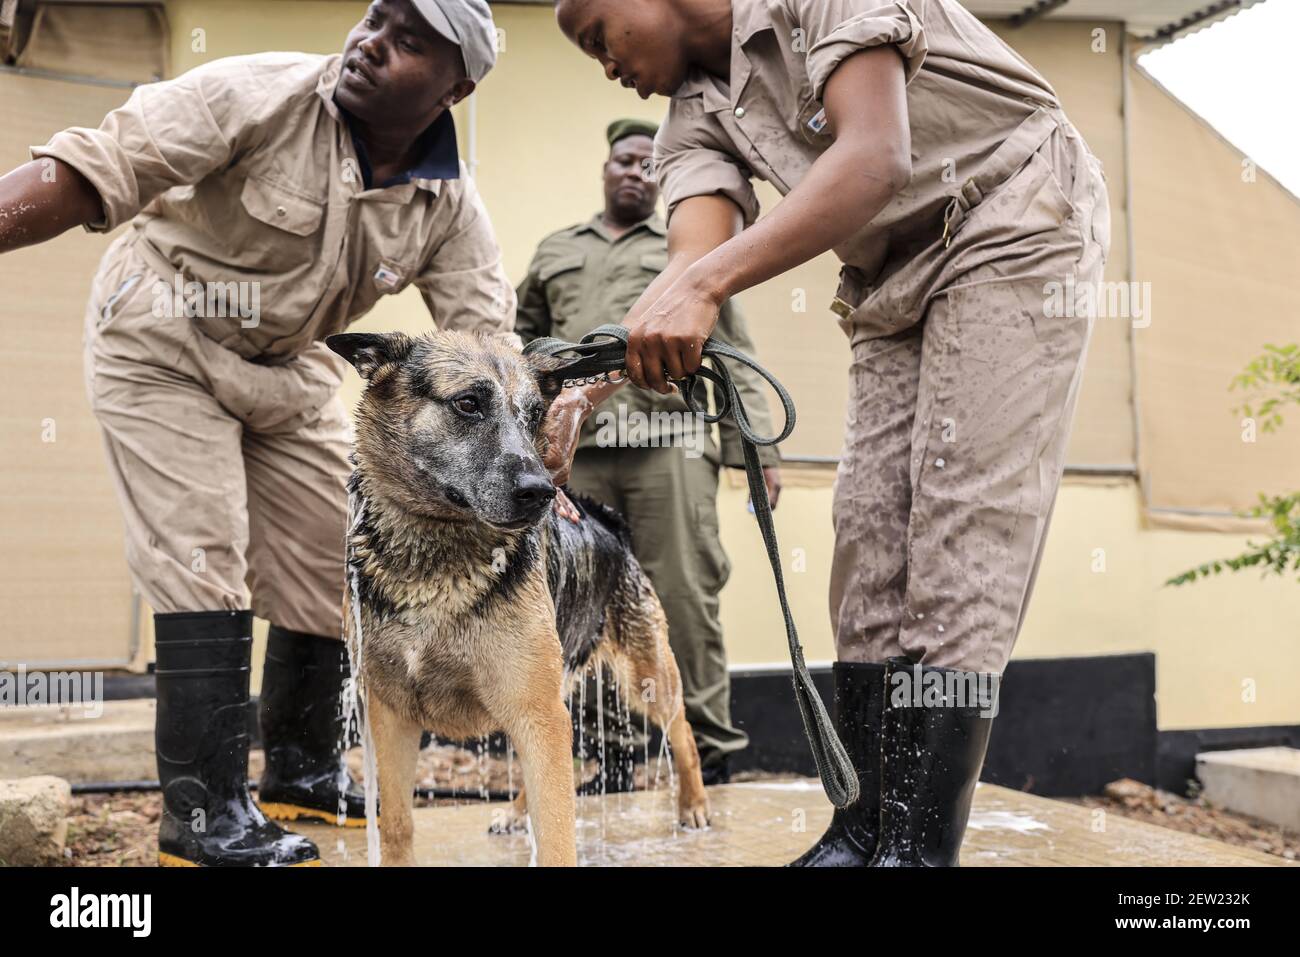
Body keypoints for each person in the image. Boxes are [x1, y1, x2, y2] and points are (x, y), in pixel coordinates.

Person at [544, 0, 1110, 866]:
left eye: (595, 37)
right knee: (867, 542)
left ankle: (917, 850)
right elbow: (690, 271)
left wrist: (706, 286)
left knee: (960, 532)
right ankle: (863, 828)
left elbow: (876, 155)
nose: (602, 64)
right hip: (889, 272)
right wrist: (594, 383)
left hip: (1014, 214)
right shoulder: (692, 118)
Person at [0, 0, 513, 866]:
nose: (371, 43)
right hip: (164, 335)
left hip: (287, 367)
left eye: (409, 41)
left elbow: (482, 348)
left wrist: (524, 462)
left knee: (334, 551)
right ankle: (202, 817)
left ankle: (302, 772)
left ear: (454, 86)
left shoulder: (448, 205)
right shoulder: (255, 93)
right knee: (204, 554)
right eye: (376, 18)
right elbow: (96, 167)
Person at [516, 118, 782, 786]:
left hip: (670, 447)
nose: (634, 171)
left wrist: (754, 448)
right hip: (580, 454)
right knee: (582, 595)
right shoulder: (554, 250)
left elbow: (734, 351)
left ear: (661, 178)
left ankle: (710, 747)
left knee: (684, 594)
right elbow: (520, 346)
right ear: (605, 170)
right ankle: (610, 751)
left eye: (646, 163)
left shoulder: (686, 252)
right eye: (622, 161)